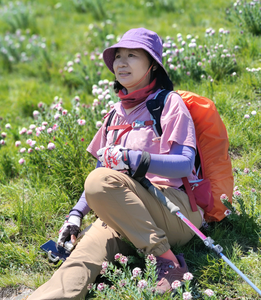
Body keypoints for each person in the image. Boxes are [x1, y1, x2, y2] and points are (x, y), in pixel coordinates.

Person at [28, 27, 203, 300]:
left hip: (174, 210)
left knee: (100, 182)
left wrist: (134, 160)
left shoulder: (169, 104)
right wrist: (76, 215)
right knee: (81, 259)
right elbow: (101, 170)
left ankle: (167, 262)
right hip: (127, 214)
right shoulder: (114, 114)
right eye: (118, 56)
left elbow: (183, 164)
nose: (121, 62)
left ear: (152, 66)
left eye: (132, 55)